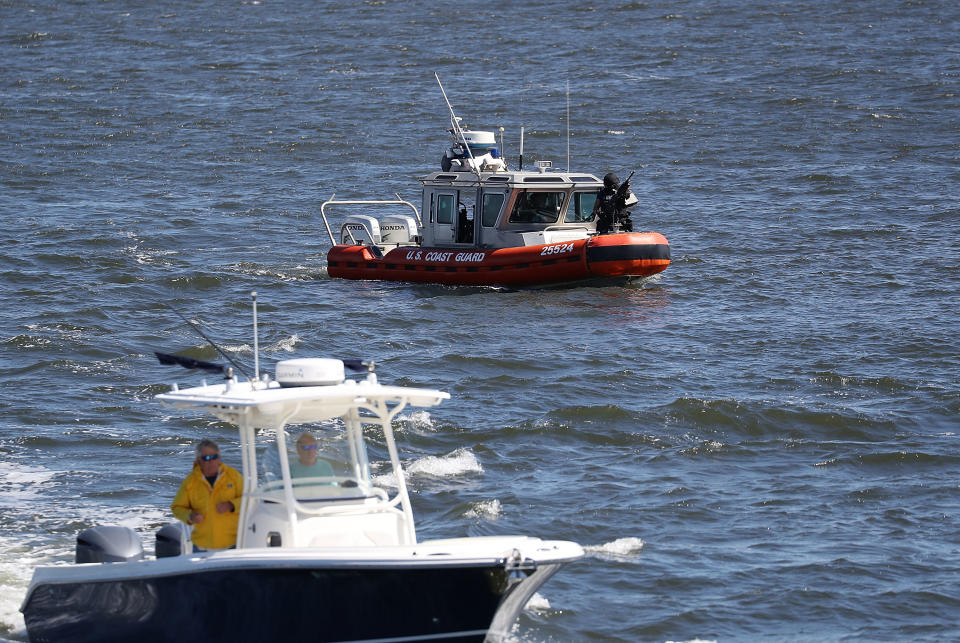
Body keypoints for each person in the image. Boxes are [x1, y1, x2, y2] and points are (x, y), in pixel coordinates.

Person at [171, 439, 243, 551]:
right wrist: (190, 516)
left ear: (219, 458)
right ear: (199, 461)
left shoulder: (233, 476)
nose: (211, 462)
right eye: (206, 458)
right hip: (201, 548)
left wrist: (231, 505)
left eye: (214, 457)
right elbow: (177, 508)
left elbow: (249, 500)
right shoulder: (191, 481)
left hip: (232, 546)